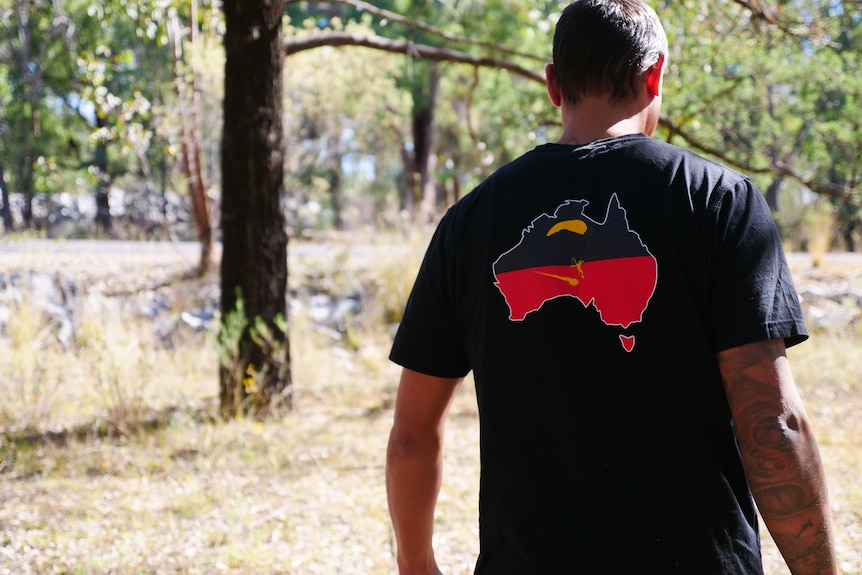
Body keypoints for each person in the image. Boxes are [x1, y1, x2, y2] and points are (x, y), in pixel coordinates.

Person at [385, 0, 838, 573]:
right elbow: (773, 421)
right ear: (655, 74)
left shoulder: (469, 223)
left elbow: (410, 435)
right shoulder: (718, 201)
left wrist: (417, 566)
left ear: (553, 84)